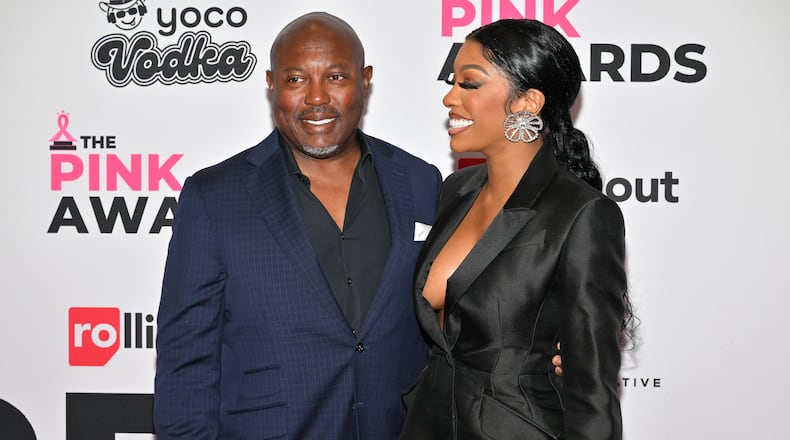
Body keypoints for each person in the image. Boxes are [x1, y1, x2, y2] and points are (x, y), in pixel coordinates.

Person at [153, 12, 442, 440]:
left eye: (336, 77)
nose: (316, 98)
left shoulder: (421, 182)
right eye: (295, 80)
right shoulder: (214, 196)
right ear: (271, 84)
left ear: (365, 80)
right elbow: (185, 363)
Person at [399, 19, 631, 440]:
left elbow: (591, 394)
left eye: (469, 84)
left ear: (527, 102)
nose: (449, 97)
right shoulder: (456, 191)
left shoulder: (582, 214)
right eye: (452, 82)